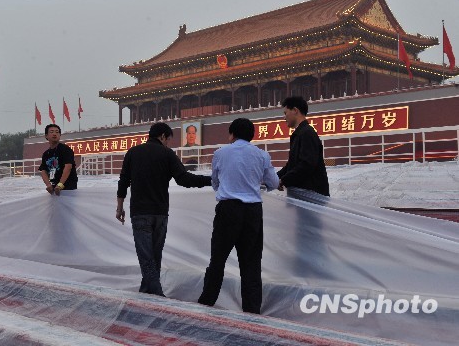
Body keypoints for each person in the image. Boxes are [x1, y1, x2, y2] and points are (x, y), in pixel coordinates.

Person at [116, 122, 212, 297]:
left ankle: (155, 293)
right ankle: (150, 293)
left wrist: (119, 207)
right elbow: (184, 179)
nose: (168, 143)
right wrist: (211, 180)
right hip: (160, 213)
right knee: (154, 256)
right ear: (162, 136)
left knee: (146, 257)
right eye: (168, 139)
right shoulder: (167, 154)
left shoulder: (133, 153)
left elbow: (123, 181)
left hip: (139, 212)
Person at [198, 118, 279, 314]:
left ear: (231, 134)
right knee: (251, 263)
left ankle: (206, 303)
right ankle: (252, 311)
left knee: (218, 259)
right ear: (252, 135)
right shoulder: (262, 155)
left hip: (228, 210)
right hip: (252, 212)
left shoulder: (220, 153)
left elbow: (215, 182)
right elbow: (274, 183)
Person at [277, 96, 330, 196]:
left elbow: (306, 165)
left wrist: (283, 181)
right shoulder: (300, 133)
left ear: (295, 110)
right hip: (304, 195)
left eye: (285, 113)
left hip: (312, 196)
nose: (284, 118)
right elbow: (291, 166)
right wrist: (275, 178)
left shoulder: (307, 133)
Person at [39, 124, 78, 195]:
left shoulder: (65, 149)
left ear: (60, 135)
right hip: (54, 188)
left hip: (68, 188)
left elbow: (68, 167)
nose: (54, 134)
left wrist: (60, 185)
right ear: (46, 136)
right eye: (52, 132)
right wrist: (48, 185)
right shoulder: (46, 154)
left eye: (57, 132)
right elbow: (43, 170)